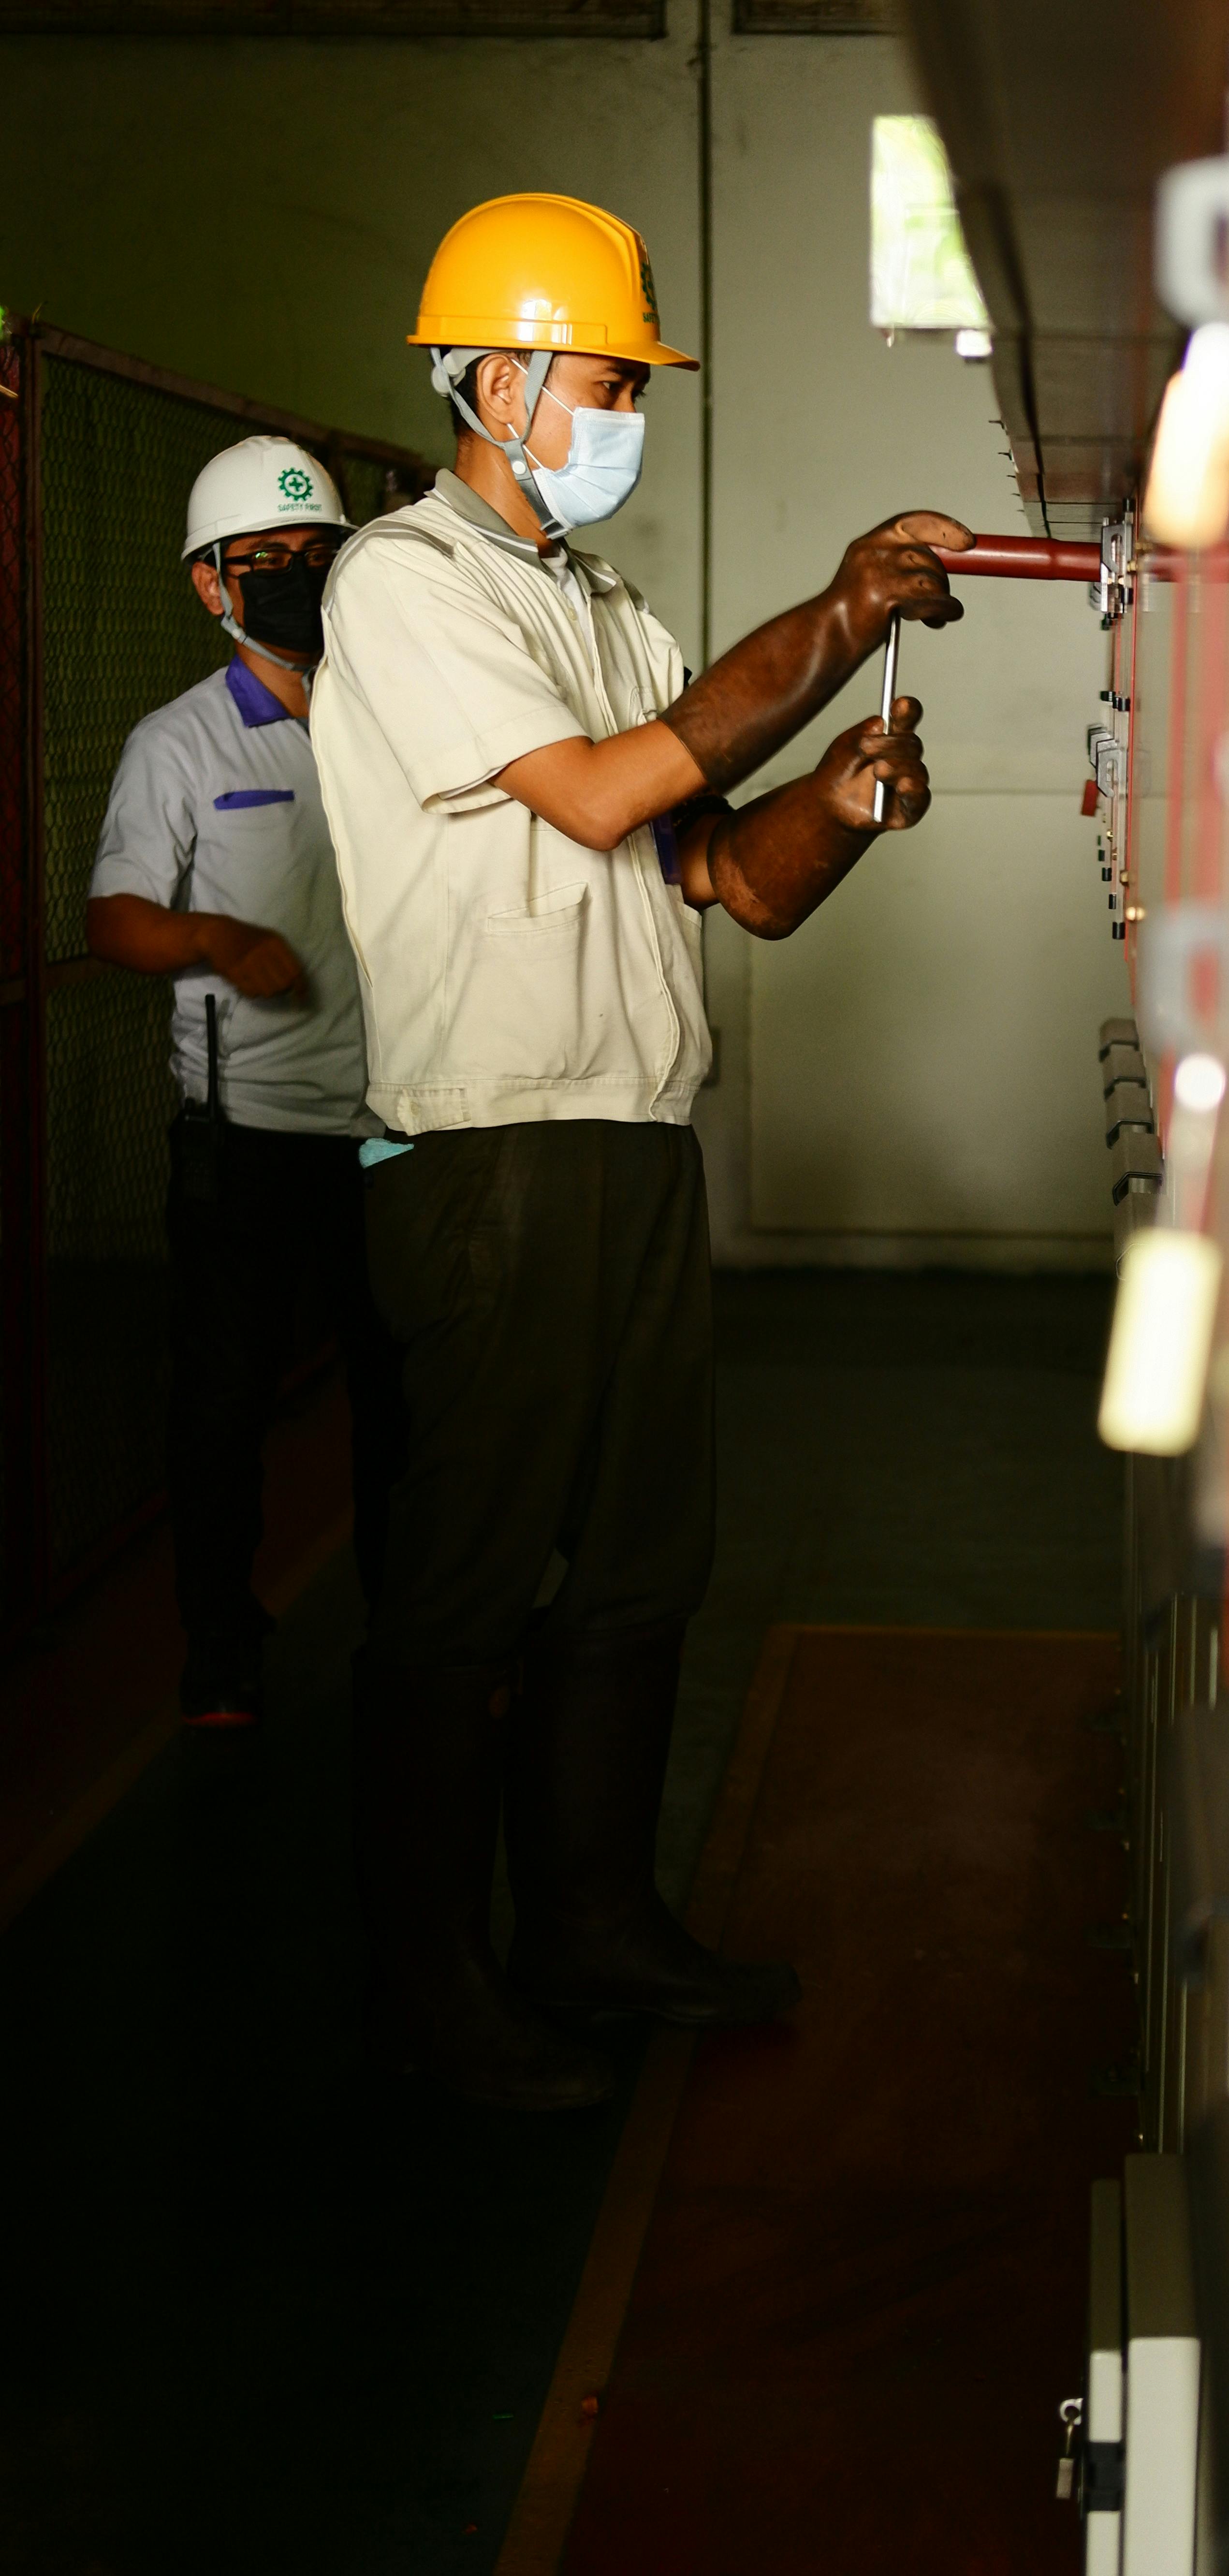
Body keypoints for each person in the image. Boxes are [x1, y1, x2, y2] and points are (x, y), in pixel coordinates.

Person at [311, 190, 970, 2111]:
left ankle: (590, 1922)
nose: (623, 414)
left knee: (637, 1567)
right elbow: (606, 786)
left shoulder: (608, 612)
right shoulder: (407, 584)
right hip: (489, 1154)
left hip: (626, 1133)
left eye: (629, 386)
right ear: (496, 379)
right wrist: (840, 616)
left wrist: (838, 803)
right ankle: (426, 1984)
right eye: (606, 381)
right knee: (469, 1580)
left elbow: (721, 880)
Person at [87, 438, 403, 1728]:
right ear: (211, 587)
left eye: (312, 557)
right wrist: (216, 938)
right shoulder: (179, 742)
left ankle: (416, 1637)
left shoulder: (398, 724)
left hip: (390, 1137)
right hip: (248, 1143)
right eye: (260, 562)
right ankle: (220, 1651)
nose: (289, 577)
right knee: (223, 1411)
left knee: (407, 1399)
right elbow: (116, 921)